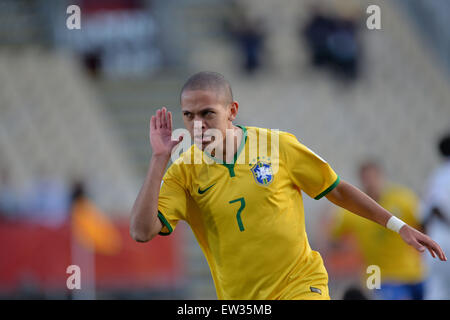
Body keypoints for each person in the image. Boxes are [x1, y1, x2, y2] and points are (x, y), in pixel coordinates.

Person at [129, 71, 446, 300]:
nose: (198, 124)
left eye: (207, 113)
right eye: (189, 115)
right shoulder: (182, 172)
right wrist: (159, 159)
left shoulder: (277, 145)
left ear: (232, 111)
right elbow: (142, 232)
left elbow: (335, 189)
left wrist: (397, 224)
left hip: (301, 285)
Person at [331, 161, 426, 300]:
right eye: (366, 178)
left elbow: (424, 225)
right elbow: (333, 238)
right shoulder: (351, 210)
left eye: (373, 177)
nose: (371, 182)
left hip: (411, 270)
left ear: (382, 177)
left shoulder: (403, 199)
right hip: (375, 274)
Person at [421, 133, 450, 299]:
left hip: (436, 238)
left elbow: (426, 213)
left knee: (437, 290)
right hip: (445, 236)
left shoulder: (437, 175)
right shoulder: (444, 174)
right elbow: (437, 207)